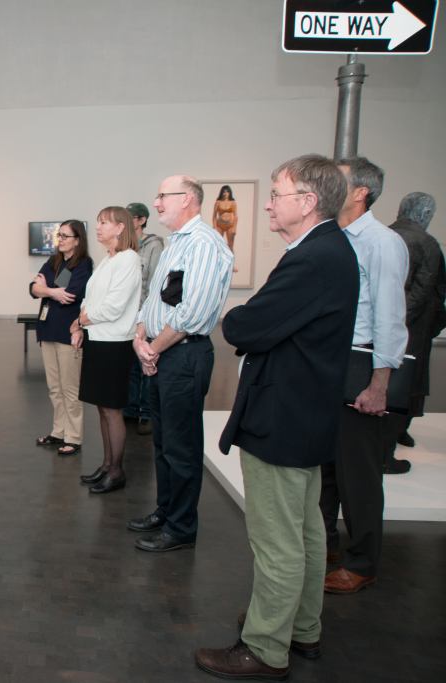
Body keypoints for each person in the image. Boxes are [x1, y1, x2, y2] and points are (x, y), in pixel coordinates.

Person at [194, 155, 358, 680]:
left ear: (307, 202)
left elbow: (249, 326)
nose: (266, 203)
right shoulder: (329, 249)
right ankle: (300, 626)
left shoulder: (313, 258)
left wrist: (234, 316)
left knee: (278, 541)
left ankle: (265, 646)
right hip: (306, 415)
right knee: (307, 530)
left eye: (277, 193)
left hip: (284, 417)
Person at [127, 175, 233, 552]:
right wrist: (142, 336)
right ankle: (166, 510)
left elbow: (193, 312)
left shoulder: (203, 244)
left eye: (161, 196)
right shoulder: (177, 245)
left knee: (181, 447)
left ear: (186, 199)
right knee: (162, 442)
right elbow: (154, 300)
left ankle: (182, 527)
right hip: (162, 351)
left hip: (184, 355)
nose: (155, 204)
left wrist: (152, 347)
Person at [320, 157, 408, 594]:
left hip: (361, 361)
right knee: (327, 467)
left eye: (338, 180)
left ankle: (363, 561)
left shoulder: (382, 242)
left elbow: (391, 316)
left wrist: (379, 383)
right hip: (332, 362)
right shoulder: (336, 238)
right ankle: (328, 547)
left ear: (360, 192)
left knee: (358, 474)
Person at [73, 207, 140, 492]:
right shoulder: (108, 260)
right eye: (98, 222)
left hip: (114, 342)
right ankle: (106, 465)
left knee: (112, 410)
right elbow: (89, 298)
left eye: (104, 223)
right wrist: (81, 321)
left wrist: (82, 320)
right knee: (103, 408)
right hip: (98, 338)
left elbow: (115, 306)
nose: (98, 228)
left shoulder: (128, 259)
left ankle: (117, 470)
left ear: (120, 228)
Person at [387, 192, 445, 469]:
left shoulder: (385, 236)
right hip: (411, 328)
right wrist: (398, 318)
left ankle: (392, 436)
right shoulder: (427, 244)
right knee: (403, 387)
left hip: (392, 325)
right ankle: (386, 448)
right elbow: (426, 291)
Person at [30, 219, 93, 455]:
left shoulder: (84, 264)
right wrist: (50, 291)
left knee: (70, 389)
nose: (61, 240)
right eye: (60, 236)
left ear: (78, 240)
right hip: (47, 330)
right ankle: (58, 432)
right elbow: (33, 288)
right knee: (54, 387)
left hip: (68, 333)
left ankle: (74, 437)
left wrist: (48, 290)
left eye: (66, 236)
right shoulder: (53, 261)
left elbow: (71, 295)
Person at [123, 202, 164, 435]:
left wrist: (147, 317)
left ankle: (146, 413)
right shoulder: (125, 247)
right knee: (130, 366)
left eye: (131, 218)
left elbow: (156, 283)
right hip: (126, 316)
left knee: (146, 362)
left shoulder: (154, 246)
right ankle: (130, 409)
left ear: (141, 220)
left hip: (145, 314)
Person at [212, 184, 238, 254]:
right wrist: (214, 227)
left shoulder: (233, 203)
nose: (225, 193)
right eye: (224, 192)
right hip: (220, 225)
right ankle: (219, 263)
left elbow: (236, 216)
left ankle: (231, 264)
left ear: (229, 193)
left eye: (227, 192)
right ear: (221, 193)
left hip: (230, 225)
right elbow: (214, 216)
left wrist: (234, 228)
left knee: (230, 246)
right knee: (218, 245)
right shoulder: (218, 202)